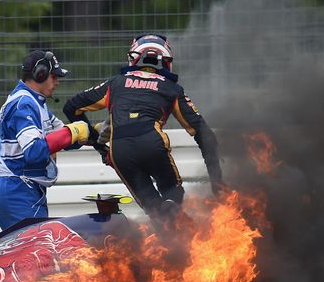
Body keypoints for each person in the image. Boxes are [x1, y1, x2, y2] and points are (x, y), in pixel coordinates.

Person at [62, 34, 223, 218]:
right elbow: (204, 134)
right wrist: (217, 183)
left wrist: (97, 143)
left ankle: (168, 238)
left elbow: (71, 107)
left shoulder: (115, 83)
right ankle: (181, 227)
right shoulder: (172, 89)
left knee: (153, 209)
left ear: (133, 57)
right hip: (152, 143)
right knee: (173, 195)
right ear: (166, 60)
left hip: (120, 149)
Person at [0, 50, 89, 229]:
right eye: (54, 76)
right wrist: (72, 132)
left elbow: (63, 138)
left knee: (28, 253)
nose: (57, 82)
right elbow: (35, 151)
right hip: (17, 189)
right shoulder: (24, 104)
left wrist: (94, 132)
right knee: (36, 254)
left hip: (21, 188)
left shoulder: (36, 104)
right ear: (40, 74)